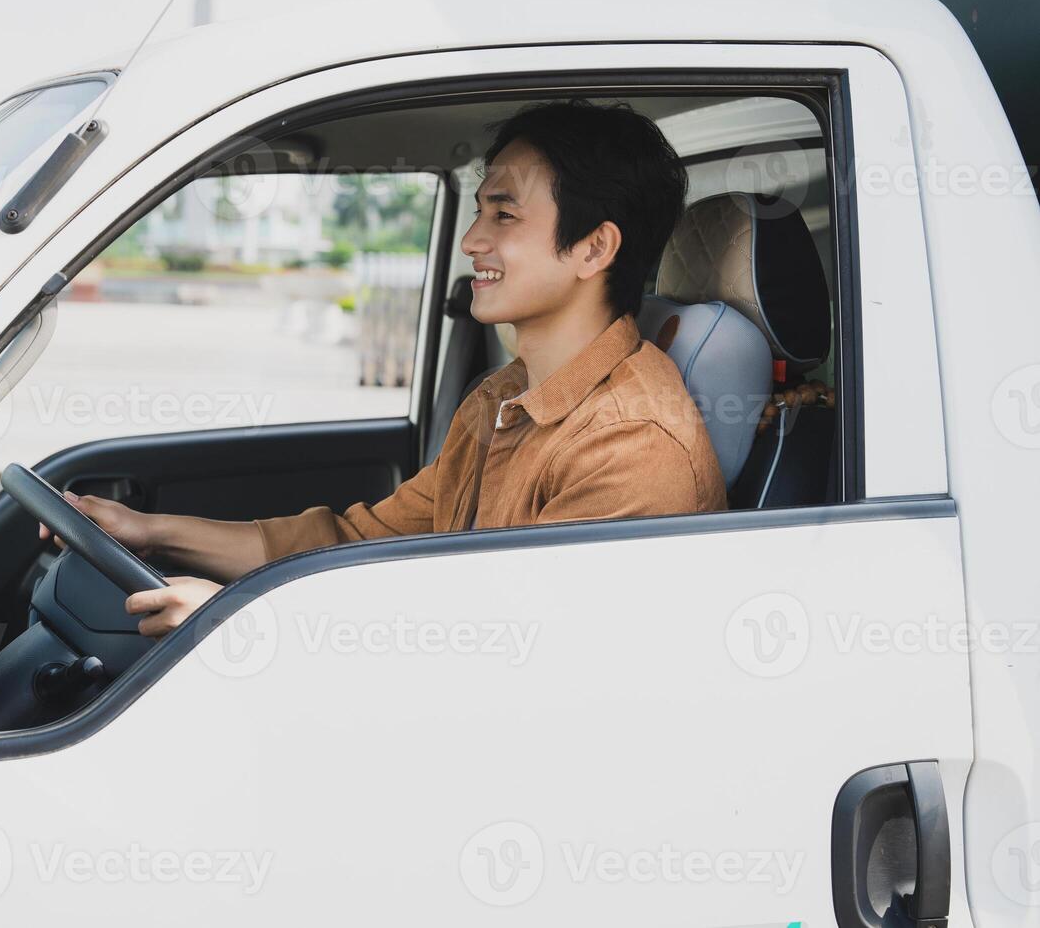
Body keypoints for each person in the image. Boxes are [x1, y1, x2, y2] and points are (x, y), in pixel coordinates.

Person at [41, 99, 726, 637]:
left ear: (593, 247)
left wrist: (242, 624)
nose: (471, 239)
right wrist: (150, 531)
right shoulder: (504, 397)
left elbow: (516, 650)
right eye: (480, 208)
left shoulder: (631, 446)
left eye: (503, 213)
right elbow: (355, 542)